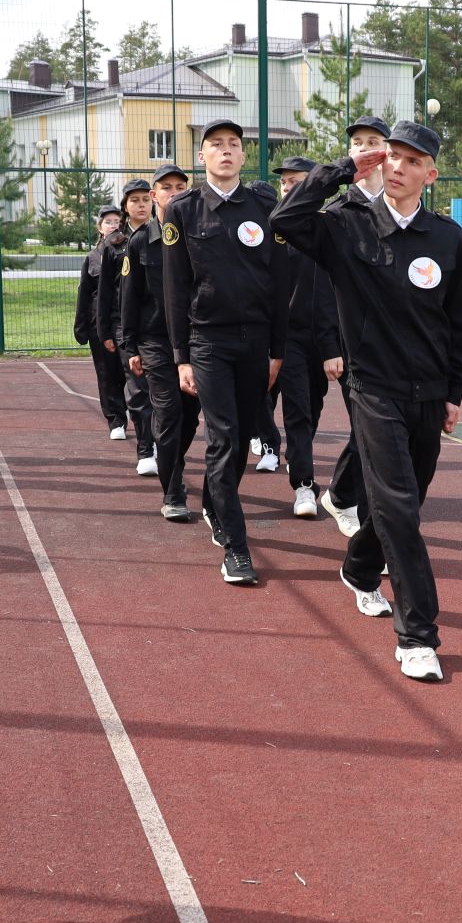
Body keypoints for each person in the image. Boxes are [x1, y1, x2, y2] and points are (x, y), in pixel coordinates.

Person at [271, 121, 462, 683]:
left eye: (412, 161)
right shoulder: (344, 225)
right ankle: (418, 637)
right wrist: (341, 171)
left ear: (430, 175)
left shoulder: (447, 237)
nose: (398, 167)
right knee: (399, 509)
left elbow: (461, 323)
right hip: (372, 389)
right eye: (392, 157)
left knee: (402, 506)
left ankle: (360, 569)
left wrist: (454, 392)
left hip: (429, 394)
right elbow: (284, 220)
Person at [162, 119, 289, 586]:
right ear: (202, 157)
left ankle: (217, 504)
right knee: (225, 438)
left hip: (255, 342)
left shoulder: (264, 205)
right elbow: (175, 288)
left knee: (240, 440)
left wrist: (278, 347)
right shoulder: (183, 210)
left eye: (234, 145)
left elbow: (279, 283)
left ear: (243, 155)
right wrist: (181, 356)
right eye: (216, 145)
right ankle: (236, 548)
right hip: (208, 341)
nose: (226, 151)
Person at [316, 115, 389, 538]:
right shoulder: (338, 212)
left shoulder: (400, 203)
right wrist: (330, 345)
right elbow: (324, 288)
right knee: (368, 428)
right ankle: (348, 500)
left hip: (392, 343)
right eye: (358, 142)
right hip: (350, 343)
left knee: (377, 429)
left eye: (374, 141)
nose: (366, 148)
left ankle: (343, 495)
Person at [119, 163, 197, 520]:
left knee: (192, 416)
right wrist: (130, 347)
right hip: (156, 343)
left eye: (181, 186)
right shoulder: (139, 242)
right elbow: (129, 300)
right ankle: (173, 493)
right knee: (168, 412)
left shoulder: (200, 233)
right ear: (154, 196)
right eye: (167, 187)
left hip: (197, 341)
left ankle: (172, 462)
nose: (175, 192)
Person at [267, 156, 342, 518]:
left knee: (312, 409)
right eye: (284, 183)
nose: (288, 188)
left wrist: (331, 346)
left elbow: (330, 292)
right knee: (296, 411)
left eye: (297, 182)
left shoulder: (326, 228)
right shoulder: (271, 228)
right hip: (288, 337)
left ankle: (298, 459)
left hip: (324, 338)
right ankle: (304, 485)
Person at [97, 183, 154, 475]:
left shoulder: (165, 236)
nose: (141, 205)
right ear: (125, 206)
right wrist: (104, 330)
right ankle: (146, 449)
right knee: (138, 388)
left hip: (158, 325)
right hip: (124, 327)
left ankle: (158, 441)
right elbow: (104, 291)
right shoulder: (114, 244)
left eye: (146, 199)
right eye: (135, 200)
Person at [75, 206, 128, 440]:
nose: (114, 225)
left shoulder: (130, 251)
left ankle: (134, 413)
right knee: (106, 373)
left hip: (127, 322)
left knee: (129, 372)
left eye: (117, 221)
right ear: (99, 228)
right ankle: (116, 419)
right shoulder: (92, 258)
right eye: (108, 222)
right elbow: (84, 293)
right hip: (100, 323)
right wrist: (81, 326)